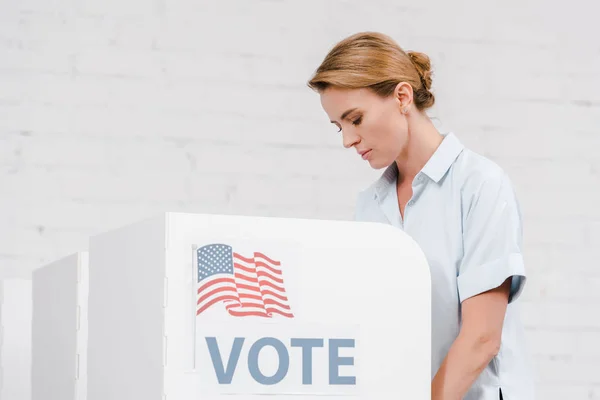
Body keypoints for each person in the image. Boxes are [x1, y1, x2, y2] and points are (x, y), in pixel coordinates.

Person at [306, 31, 535, 400]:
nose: (347, 139)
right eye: (339, 127)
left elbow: (482, 338)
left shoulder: (480, 186)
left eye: (356, 119)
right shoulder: (370, 206)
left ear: (401, 96)